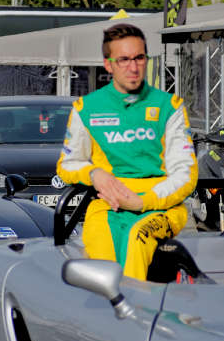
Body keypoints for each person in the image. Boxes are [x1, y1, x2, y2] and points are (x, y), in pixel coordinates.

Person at [56, 23, 197, 280]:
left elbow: (186, 174)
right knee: (101, 272)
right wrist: (94, 174)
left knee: (137, 238)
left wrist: (144, 201)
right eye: (123, 60)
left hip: (161, 208)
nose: (133, 68)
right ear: (108, 64)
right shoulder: (86, 107)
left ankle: (135, 314)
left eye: (139, 58)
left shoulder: (169, 106)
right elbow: (67, 164)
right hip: (107, 209)